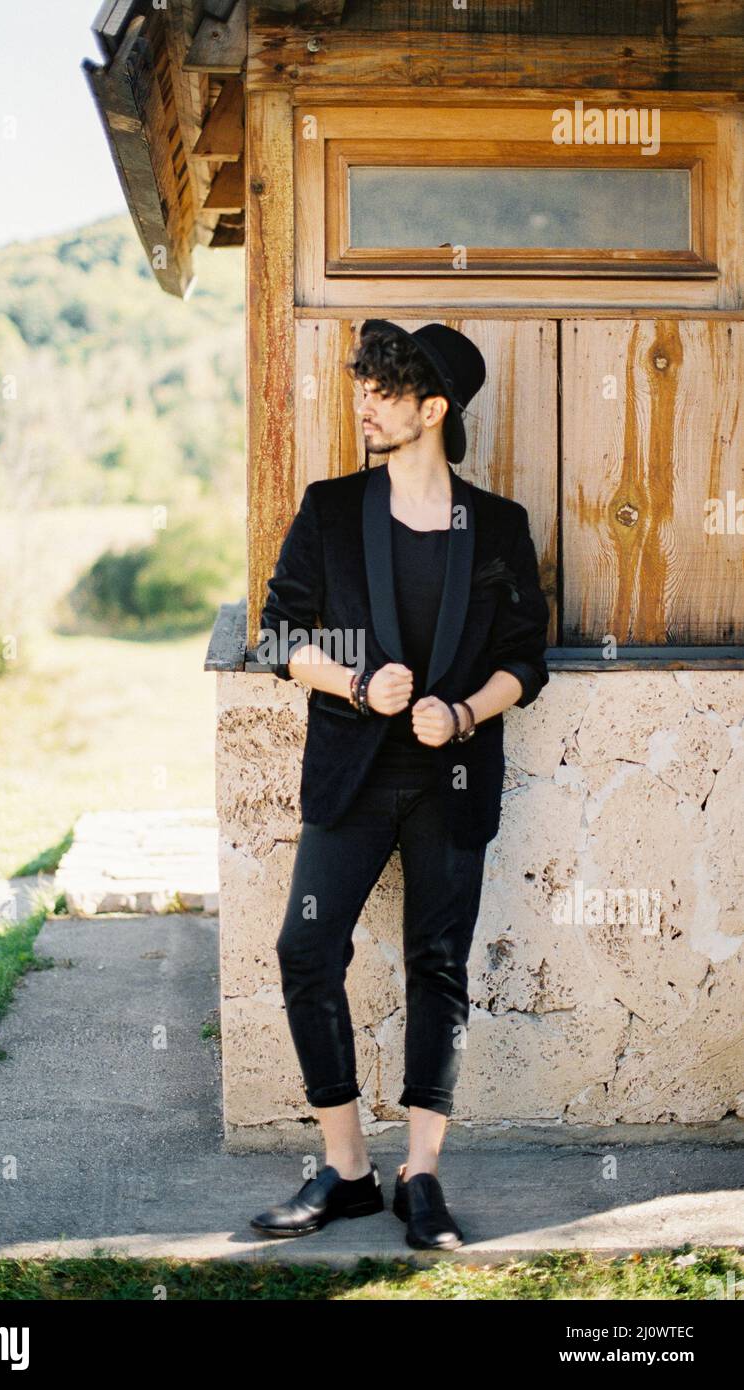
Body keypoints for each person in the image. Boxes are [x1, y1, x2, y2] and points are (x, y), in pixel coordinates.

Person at [249, 319, 550, 1249]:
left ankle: (422, 1177)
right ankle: (345, 1174)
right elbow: (277, 635)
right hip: (352, 775)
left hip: (452, 781)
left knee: (439, 968)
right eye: (362, 387)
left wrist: (460, 715)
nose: (364, 403)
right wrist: (354, 682)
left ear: (433, 411)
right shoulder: (333, 509)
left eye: (384, 392)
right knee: (305, 954)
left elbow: (525, 662)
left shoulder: (497, 526)